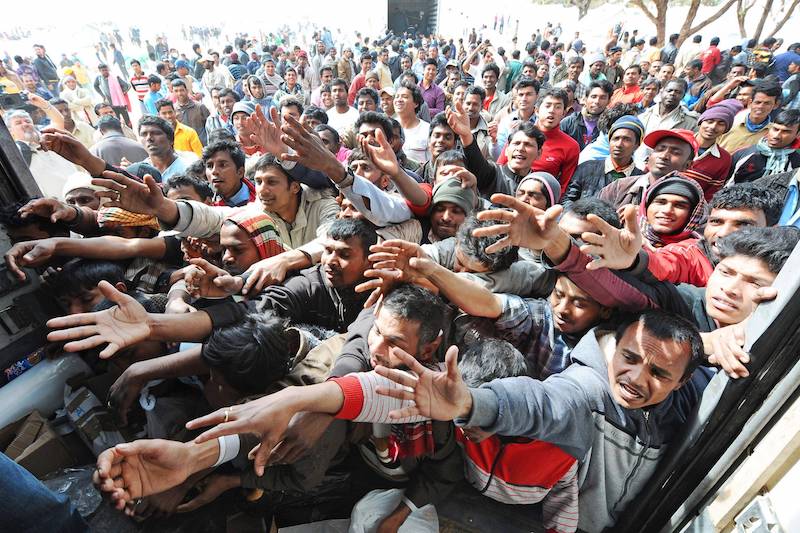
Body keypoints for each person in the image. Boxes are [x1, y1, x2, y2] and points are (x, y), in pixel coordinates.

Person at [600, 129, 697, 208]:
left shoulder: (693, 199)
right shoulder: (618, 187)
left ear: (688, 165)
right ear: (649, 156)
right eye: (660, 149)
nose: (664, 156)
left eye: (675, 153)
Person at [563, 115, 645, 208]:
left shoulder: (641, 180)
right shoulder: (586, 168)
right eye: (616, 138)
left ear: (637, 145)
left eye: (627, 139)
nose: (619, 144)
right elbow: (568, 201)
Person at [729, 109, 800, 182]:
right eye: (775, 129)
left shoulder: (796, 164)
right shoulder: (745, 153)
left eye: (786, 132)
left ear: (798, 134)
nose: (776, 136)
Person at [689, 99, 741, 199]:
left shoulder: (724, 158)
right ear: (701, 122)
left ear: (726, 129)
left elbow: (711, 193)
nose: (713, 127)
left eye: (721, 124)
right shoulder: (680, 142)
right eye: (710, 121)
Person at [718, 81, 782, 153]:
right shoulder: (730, 122)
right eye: (758, 102)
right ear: (750, 102)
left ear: (776, 105)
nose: (760, 107)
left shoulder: (773, 133)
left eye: (767, 103)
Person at [137, 115, 199, 181]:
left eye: (156, 133)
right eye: (144, 134)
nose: (149, 138)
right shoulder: (140, 171)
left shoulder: (190, 167)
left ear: (171, 139)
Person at [560, 80, 613, 150]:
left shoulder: (611, 125)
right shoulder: (568, 123)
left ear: (609, 101)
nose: (597, 101)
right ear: (585, 99)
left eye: (602, 98)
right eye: (593, 97)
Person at [202, 139, 256, 207]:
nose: (214, 171)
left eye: (222, 165)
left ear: (240, 172)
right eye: (209, 166)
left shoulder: (262, 200)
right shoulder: (203, 201)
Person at [396, 82, 431, 163]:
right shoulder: (388, 126)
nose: (399, 100)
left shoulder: (427, 130)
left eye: (404, 97)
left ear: (416, 103)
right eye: (397, 97)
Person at [172, 79, 211, 145]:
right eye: (176, 91)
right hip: (184, 146)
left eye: (181, 90)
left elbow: (209, 126)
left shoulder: (200, 107)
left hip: (202, 144)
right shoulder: (173, 110)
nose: (179, 93)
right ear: (173, 93)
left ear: (187, 91)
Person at [93, 63, 132, 128]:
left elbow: (127, 86)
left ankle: (130, 131)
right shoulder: (99, 78)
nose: (105, 72)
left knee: (127, 120)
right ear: (100, 71)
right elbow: (95, 86)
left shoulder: (115, 77)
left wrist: (121, 93)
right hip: (110, 105)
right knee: (115, 121)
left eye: (106, 70)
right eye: (103, 70)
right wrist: (103, 96)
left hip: (120, 103)